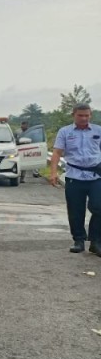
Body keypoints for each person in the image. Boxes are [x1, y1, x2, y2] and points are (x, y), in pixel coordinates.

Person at [49, 104, 101, 255]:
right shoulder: (65, 132)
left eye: (87, 115)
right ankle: (78, 240)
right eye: (80, 115)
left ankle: (96, 241)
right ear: (74, 115)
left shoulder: (98, 131)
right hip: (74, 176)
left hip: (96, 175)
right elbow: (57, 153)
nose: (84, 118)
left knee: (99, 207)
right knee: (75, 210)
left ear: (90, 115)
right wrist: (53, 173)